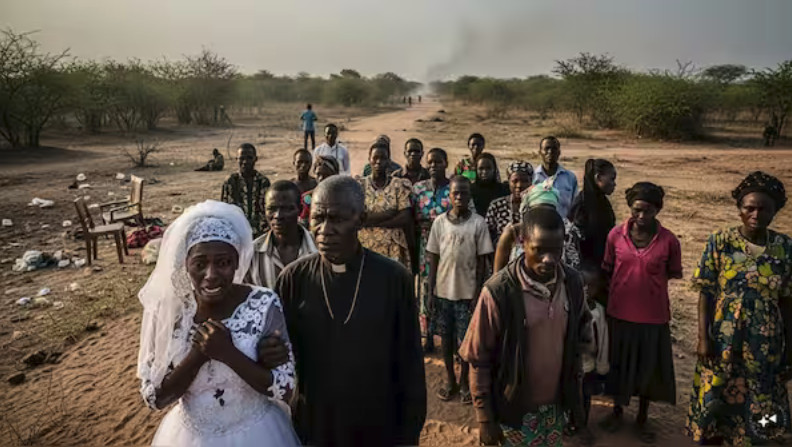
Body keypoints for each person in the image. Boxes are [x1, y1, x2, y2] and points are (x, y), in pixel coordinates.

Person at [273, 176, 427, 446]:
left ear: (361, 219)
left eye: (337, 219)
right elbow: (281, 360)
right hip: (316, 422)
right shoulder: (293, 279)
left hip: (379, 421)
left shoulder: (393, 278)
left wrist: (409, 432)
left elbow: (410, 362)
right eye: (318, 218)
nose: (325, 229)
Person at [136, 200, 299, 446]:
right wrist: (198, 354)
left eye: (222, 263)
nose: (211, 275)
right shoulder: (169, 313)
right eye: (200, 264)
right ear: (186, 265)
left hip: (258, 432)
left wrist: (228, 353)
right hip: (190, 436)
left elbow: (285, 389)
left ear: (236, 262)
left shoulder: (263, 304)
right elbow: (155, 399)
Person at [460, 206, 591, 447]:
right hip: (513, 412)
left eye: (556, 250)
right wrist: (485, 419)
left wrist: (576, 402)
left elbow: (577, 346)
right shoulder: (499, 292)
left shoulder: (572, 284)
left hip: (554, 409)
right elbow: (478, 358)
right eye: (539, 250)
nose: (549, 259)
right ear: (523, 242)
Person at [686, 171, 792, 445]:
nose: (756, 214)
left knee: (761, 398)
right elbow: (705, 294)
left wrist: (789, 350)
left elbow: (787, 302)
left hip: (765, 343)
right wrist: (702, 337)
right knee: (717, 395)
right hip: (723, 337)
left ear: (775, 212)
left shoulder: (785, 248)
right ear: (740, 210)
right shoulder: (720, 242)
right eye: (750, 208)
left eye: (764, 209)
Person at [599, 182, 682, 444]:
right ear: (630, 208)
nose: (642, 216)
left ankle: (642, 418)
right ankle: (617, 412)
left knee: (648, 370)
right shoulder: (615, 235)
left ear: (657, 210)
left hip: (653, 317)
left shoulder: (669, 241)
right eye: (637, 210)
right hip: (619, 313)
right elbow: (608, 269)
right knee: (618, 366)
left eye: (648, 211)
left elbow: (671, 272)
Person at [426, 176, 493, 405]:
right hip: (443, 292)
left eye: (464, 193)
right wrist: (430, 289)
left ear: (469, 195)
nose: (459, 197)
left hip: (467, 295)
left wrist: (477, 294)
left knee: (465, 341)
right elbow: (433, 256)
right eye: (455, 193)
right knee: (445, 339)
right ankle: (449, 379)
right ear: (449, 195)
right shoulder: (439, 223)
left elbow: (483, 262)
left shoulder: (478, 223)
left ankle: (464, 381)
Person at [492, 181, 582, 273]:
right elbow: (498, 273)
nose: (543, 216)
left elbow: (574, 266)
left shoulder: (566, 232)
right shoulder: (513, 232)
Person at [413, 148, 453, 352]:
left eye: (438, 162)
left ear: (446, 163)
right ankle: (427, 336)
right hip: (426, 244)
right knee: (426, 288)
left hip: (451, 244)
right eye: (429, 163)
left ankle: (448, 336)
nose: (433, 166)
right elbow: (411, 218)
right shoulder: (418, 189)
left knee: (448, 287)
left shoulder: (454, 187)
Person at [249, 181, 317, 289]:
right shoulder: (252, 254)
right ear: (264, 210)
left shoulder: (319, 247)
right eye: (272, 209)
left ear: (299, 209)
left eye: (286, 209)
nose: (278, 216)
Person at [358, 142, 413, 270]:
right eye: (375, 158)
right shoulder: (360, 186)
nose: (378, 162)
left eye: (382, 158)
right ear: (369, 160)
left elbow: (405, 217)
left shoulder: (398, 185)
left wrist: (372, 221)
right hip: (366, 247)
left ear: (389, 161)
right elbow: (359, 216)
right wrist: (389, 213)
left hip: (392, 248)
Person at [569, 159, 617, 306]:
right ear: (598, 178)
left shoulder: (602, 202)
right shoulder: (583, 205)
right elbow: (575, 241)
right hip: (588, 271)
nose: (614, 184)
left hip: (602, 265)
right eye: (612, 179)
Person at [221, 143, 271, 238]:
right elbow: (224, 208)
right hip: (236, 231)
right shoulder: (230, 181)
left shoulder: (263, 181)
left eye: (249, 158)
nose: (245, 162)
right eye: (241, 158)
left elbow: (268, 208)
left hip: (260, 232)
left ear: (255, 159)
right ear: (236, 159)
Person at [483, 161, 533, 246]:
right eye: (515, 181)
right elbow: (486, 236)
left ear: (531, 182)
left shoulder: (535, 206)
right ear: (508, 182)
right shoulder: (497, 205)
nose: (519, 185)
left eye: (524, 181)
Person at [533, 136, 578, 218]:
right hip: (538, 226)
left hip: (563, 226)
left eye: (554, 149)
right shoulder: (533, 177)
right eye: (546, 148)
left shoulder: (570, 178)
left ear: (559, 152)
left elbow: (574, 207)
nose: (550, 152)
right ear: (540, 152)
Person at [299, 155, 339, 228]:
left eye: (326, 175)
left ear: (335, 175)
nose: (321, 178)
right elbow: (304, 224)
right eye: (318, 174)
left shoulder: (343, 197)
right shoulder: (308, 198)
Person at [471, 153, 510, 218]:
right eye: (481, 168)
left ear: (494, 169)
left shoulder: (504, 190)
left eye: (488, 168)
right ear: (476, 170)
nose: (485, 172)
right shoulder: (470, 190)